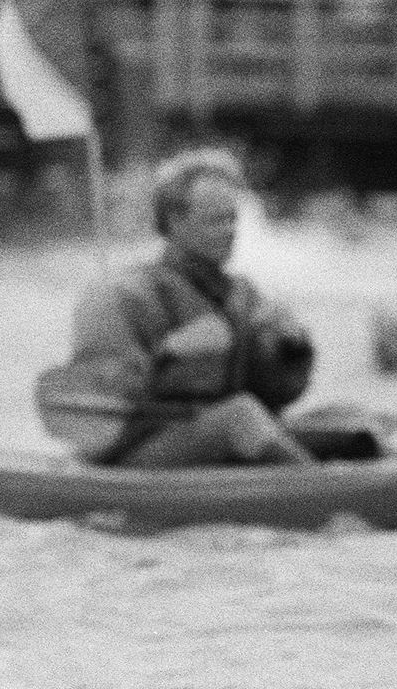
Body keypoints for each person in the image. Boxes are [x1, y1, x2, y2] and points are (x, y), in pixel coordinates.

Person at [37, 149, 319, 467]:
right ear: (175, 221)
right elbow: (100, 401)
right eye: (216, 220)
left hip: (219, 436)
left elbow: (274, 397)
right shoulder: (121, 294)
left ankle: (332, 481)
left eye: (233, 218)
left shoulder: (243, 296)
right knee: (240, 417)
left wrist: (289, 353)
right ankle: (325, 491)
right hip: (137, 452)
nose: (230, 231)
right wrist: (168, 354)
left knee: (346, 421)